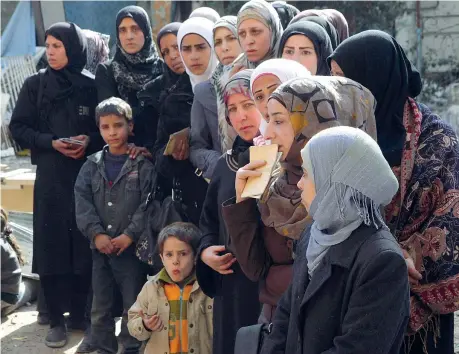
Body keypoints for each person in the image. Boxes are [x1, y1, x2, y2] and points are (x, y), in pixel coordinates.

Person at [328, 29, 459, 354]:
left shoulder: (438, 141)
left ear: (373, 79)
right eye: (332, 80)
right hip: (353, 299)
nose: (336, 91)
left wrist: (394, 259)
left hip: (420, 320)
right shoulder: (338, 133)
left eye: (345, 80)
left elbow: (451, 222)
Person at [222, 75, 378, 323]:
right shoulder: (270, 177)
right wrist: (242, 200)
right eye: (268, 120)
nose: (268, 132)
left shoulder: (353, 192)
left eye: (280, 121)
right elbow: (254, 268)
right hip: (276, 327)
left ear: (316, 122)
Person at [261, 126, 409, 354]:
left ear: (336, 183)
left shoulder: (382, 261)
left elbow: (357, 348)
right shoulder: (314, 233)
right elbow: (286, 315)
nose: (300, 183)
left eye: (308, 174)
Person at [9, 22, 103, 348]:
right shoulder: (35, 86)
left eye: (57, 46)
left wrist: (87, 140)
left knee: (81, 242)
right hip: (50, 176)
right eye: (47, 46)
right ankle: (57, 320)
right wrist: (50, 142)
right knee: (51, 245)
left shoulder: (90, 86)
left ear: (72, 48)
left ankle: (80, 315)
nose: (50, 52)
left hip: (84, 175)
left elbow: (106, 128)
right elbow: (18, 128)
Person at [75, 97, 153, 354]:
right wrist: (96, 234)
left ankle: (131, 346)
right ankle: (103, 345)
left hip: (129, 250)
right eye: (105, 127)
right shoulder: (91, 165)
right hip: (100, 249)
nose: (112, 132)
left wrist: (129, 235)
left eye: (118, 125)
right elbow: (82, 201)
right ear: (98, 129)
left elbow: (148, 203)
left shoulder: (142, 164)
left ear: (130, 126)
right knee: (100, 303)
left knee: (132, 302)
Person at [197, 70, 261, 354]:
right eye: (232, 109)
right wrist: (206, 251)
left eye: (249, 104)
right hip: (231, 286)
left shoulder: (285, 162)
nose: (241, 117)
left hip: (265, 290)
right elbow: (208, 221)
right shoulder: (226, 165)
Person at [145, 22, 209, 227]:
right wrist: (172, 155)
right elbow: (159, 151)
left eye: (176, 47)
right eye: (166, 51)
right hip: (192, 196)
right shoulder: (171, 98)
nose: (173, 56)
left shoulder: (229, 87)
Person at [128, 222, 213, 354]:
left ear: (196, 257)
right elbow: (133, 322)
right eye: (169, 255)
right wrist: (145, 325)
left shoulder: (207, 287)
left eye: (183, 254)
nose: (175, 261)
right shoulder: (151, 288)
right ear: (161, 258)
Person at [96, 5, 163, 153]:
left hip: (158, 150)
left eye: (135, 29)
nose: (129, 36)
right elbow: (110, 115)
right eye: (122, 30)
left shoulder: (162, 69)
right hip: (124, 152)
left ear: (146, 31)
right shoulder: (107, 71)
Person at [177, 17, 220, 180]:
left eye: (201, 47)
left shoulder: (236, 84)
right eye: (186, 49)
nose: (194, 56)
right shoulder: (174, 95)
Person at [250, 58, 311, 133]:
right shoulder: (261, 143)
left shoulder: (322, 139)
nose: (267, 103)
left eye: (275, 91)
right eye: (259, 97)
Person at [235, 0, 283, 69]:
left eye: (255, 31)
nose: (248, 41)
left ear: (273, 31)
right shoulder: (235, 69)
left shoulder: (293, 69)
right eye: (242, 33)